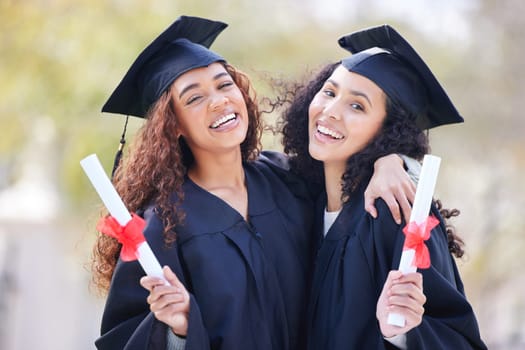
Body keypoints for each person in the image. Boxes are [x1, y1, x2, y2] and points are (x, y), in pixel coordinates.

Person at [91, 16, 416, 350]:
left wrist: (392, 161)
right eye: (194, 98)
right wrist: (178, 332)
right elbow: (125, 339)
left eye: (224, 84)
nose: (219, 101)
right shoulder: (162, 228)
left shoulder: (290, 180)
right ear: (172, 125)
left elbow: (348, 172)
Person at [280, 24, 487, 349]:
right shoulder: (304, 200)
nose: (330, 112)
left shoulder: (398, 211)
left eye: (357, 106)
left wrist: (402, 333)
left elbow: (457, 340)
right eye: (330, 92)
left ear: (387, 132)